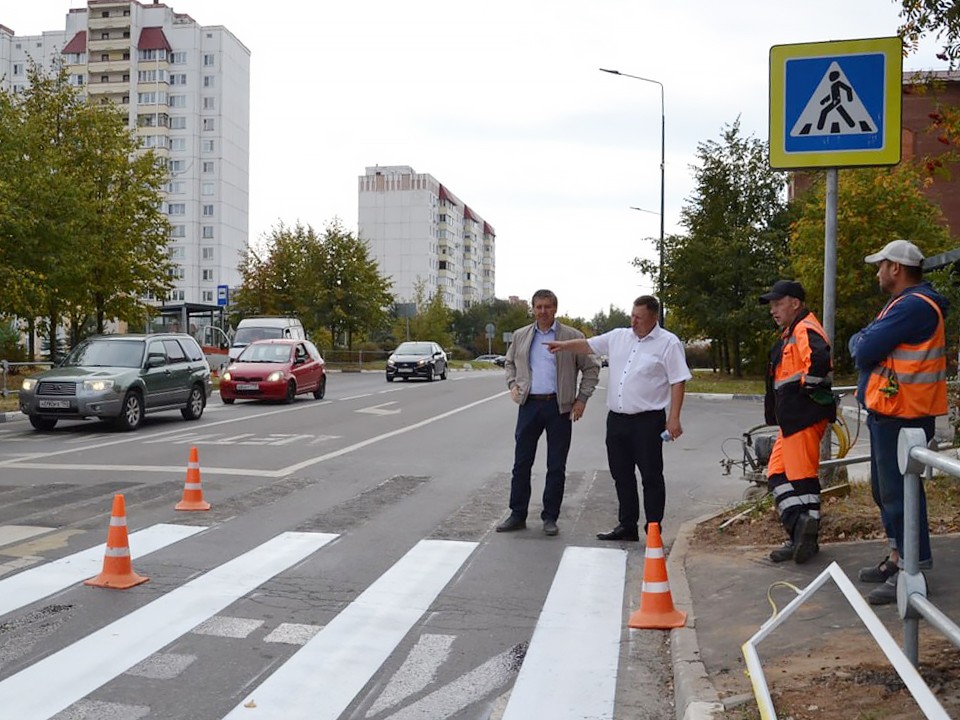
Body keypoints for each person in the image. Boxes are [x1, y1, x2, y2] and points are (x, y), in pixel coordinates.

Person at [850, 239, 948, 605]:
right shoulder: (902, 305)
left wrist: (862, 343)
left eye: (880, 265)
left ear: (896, 268)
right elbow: (863, 344)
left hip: (904, 414)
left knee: (900, 494)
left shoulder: (913, 307)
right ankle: (897, 559)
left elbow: (862, 350)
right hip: (891, 411)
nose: (877, 272)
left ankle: (912, 569)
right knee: (885, 492)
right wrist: (863, 342)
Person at [546, 295, 690, 541]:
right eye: (632, 315)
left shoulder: (668, 343)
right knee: (621, 474)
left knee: (651, 476)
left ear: (654, 318)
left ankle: (653, 528)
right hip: (617, 420)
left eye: (639, 318)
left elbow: (678, 381)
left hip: (648, 420)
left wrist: (674, 418)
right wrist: (563, 345)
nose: (633, 321)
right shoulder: (618, 337)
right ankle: (627, 525)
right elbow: (588, 345)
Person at [496, 289, 600, 536]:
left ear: (555, 309)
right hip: (529, 405)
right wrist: (512, 385)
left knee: (556, 465)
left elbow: (592, 368)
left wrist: (582, 399)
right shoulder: (521, 336)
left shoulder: (572, 337)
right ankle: (517, 514)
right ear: (532, 309)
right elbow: (509, 362)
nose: (542, 311)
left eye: (547, 307)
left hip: (559, 407)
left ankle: (550, 517)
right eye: (538, 306)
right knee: (521, 463)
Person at [759, 280, 836, 565]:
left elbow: (818, 359)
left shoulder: (805, 328)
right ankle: (799, 530)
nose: (773, 311)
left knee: (802, 479)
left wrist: (805, 396)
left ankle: (806, 540)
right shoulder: (791, 332)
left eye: (778, 304)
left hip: (802, 416)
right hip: (792, 420)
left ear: (795, 303)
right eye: (771, 306)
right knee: (777, 475)